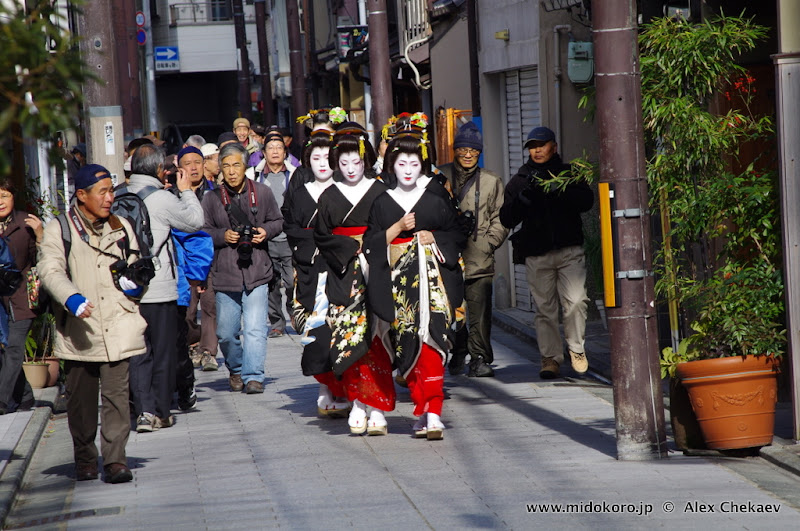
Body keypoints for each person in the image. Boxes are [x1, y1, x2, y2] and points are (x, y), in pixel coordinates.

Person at [38, 164, 148, 484]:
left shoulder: (122, 225)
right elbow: (50, 270)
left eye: (112, 190)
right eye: (103, 192)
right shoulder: (61, 228)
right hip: (80, 329)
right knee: (81, 402)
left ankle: (115, 460)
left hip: (117, 322)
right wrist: (71, 298)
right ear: (82, 195)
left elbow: (135, 263)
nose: (110, 197)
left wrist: (138, 283)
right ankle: (85, 456)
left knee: (117, 397)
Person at [364, 128, 466, 440]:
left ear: (422, 164)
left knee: (433, 340)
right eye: (401, 164)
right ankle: (422, 409)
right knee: (405, 342)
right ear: (391, 165)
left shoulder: (436, 197)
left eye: (413, 164)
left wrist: (434, 237)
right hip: (395, 284)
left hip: (432, 282)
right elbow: (370, 243)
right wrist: (396, 229)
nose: (408, 171)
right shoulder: (382, 201)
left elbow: (458, 234)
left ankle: (433, 411)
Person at [314, 122, 394, 435]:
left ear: (367, 160)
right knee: (350, 336)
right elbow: (322, 235)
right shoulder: (330, 196)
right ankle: (358, 402)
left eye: (356, 162)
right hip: (344, 271)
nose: (350, 168)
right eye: (343, 163)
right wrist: (350, 245)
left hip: (376, 268)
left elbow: (391, 229)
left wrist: (370, 243)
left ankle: (377, 406)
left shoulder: (380, 191)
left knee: (377, 337)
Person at [499, 126, 593, 379]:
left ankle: (576, 348)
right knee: (545, 309)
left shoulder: (569, 173)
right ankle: (550, 358)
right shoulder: (520, 179)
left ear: (554, 146)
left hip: (569, 249)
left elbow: (587, 202)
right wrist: (522, 199)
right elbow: (506, 218)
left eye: (542, 144)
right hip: (536, 253)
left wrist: (561, 191)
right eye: (532, 146)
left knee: (576, 302)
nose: (537, 150)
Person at [126, 144, 205, 432]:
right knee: (163, 351)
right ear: (160, 170)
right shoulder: (161, 198)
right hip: (158, 288)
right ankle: (160, 411)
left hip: (126, 288)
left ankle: (142, 411)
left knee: (138, 351)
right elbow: (195, 221)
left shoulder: (119, 196)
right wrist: (186, 190)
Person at [202, 143, 283, 394]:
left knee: (256, 328)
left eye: (236, 164)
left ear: (246, 166)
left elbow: (278, 221)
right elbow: (203, 231)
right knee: (226, 333)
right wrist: (222, 235)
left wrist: (265, 232)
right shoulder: (211, 198)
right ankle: (236, 369)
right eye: (226, 166)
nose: (231, 171)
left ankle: (254, 376)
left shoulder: (261, 192)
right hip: (226, 273)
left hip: (257, 270)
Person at [282, 128, 350, 417]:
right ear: (307, 160)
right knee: (316, 331)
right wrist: (316, 244)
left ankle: (347, 390)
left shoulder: (347, 190)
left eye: (327, 157)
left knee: (344, 330)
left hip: (342, 267)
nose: (322, 162)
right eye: (316, 157)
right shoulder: (298, 195)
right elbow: (290, 228)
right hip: (311, 268)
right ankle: (324, 387)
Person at [438, 122, 509, 377]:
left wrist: (490, 242)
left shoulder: (492, 181)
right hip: (445, 256)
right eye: (463, 149)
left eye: (474, 151)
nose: (468, 155)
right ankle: (458, 350)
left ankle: (479, 358)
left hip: (480, 257)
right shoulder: (439, 175)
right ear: (455, 150)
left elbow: (501, 217)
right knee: (449, 311)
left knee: (480, 314)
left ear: (480, 153)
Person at [0, 178, 43, 415]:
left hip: (21, 296)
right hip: (0, 303)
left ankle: (2, 401)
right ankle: (25, 397)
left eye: (5, 195)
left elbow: (43, 260)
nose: (0, 202)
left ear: (13, 197)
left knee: (14, 348)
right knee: (5, 350)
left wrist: (39, 235)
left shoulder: (25, 224)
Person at [247, 130, 296, 338]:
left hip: (290, 237)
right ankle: (277, 322)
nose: (275, 152)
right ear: (263, 153)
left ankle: (296, 314)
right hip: (266, 238)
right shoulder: (255, 176)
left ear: (285, 152)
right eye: (270, 148)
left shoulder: (294, 175)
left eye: (279, 148)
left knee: (294, 281)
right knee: (272, 282)